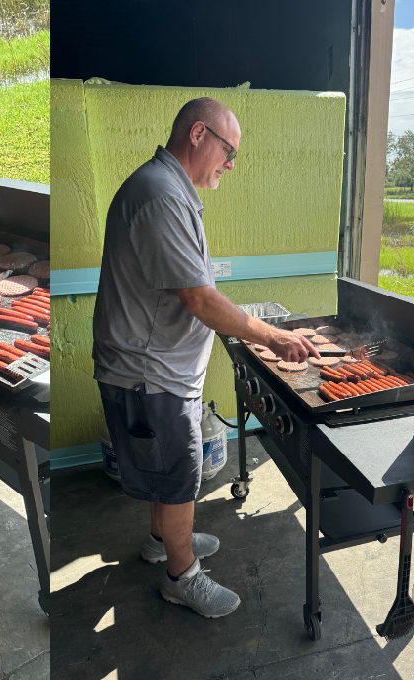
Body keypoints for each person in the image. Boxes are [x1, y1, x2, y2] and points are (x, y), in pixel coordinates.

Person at [92, 97, 319, 619]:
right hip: (150, 374)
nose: (231, 163)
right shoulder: (159, 195)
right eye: (228, 149)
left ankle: (161, 541)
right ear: (198, 134)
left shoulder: (167, 188)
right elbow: (197, 298)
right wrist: (273, 337)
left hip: (152, 368)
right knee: (176, 473)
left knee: (162, 468)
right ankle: (181, 575)